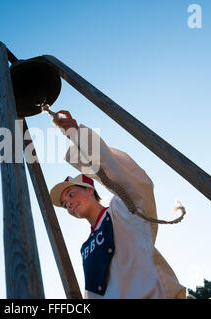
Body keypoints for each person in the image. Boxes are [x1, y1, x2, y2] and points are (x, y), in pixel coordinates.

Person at [49, 110, 186, 299]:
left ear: (90, 190)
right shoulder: (85, 248)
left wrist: (76, 135)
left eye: (71, 194)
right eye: (65, 204)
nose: (69, 204)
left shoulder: (121, 211)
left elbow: (122, 177)